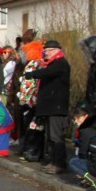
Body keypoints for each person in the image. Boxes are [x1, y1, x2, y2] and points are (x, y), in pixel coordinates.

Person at [24, 40, 71, 174]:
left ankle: (59, 163)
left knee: (56, 137)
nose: (46, 53)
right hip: (50, 106)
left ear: (57, 50)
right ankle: (52, 161)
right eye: (45, 51)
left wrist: (32, 74)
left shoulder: (60, 63)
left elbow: (47, 73)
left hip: (56, 106)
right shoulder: (52, 64)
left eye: (49, 50)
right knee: (50, 136)